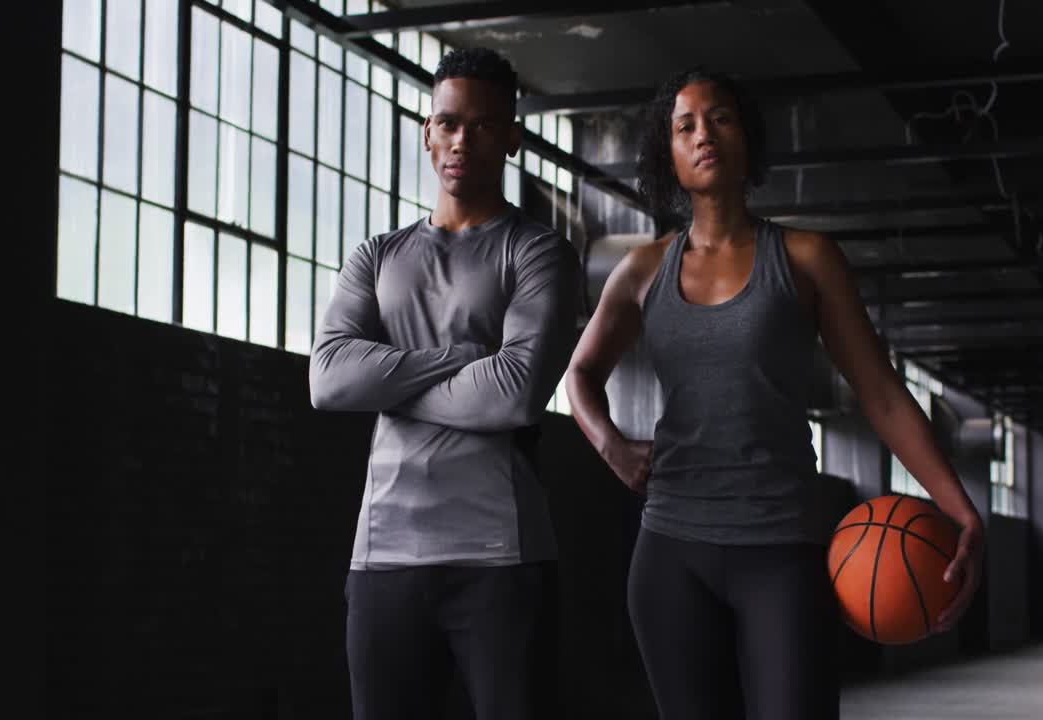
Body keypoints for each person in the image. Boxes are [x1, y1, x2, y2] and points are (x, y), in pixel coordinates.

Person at [565, 67, 985, 720]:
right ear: (669, 156)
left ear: (748, 140)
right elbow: (580, 374)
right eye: (685, 126)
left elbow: (880, 393)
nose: (703, 133)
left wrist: (962, 509)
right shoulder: (642, 270)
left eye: (721, 118)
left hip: (784, 548)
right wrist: (611, 447)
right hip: (671, 550)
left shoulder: (807, 257)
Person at [309, 47, 580, 720]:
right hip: (382, 556)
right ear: (427, 132)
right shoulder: (376, 255)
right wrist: (458, 356)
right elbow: (329, 379)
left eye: (484, 125)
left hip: (502, 556)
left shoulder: (537, 250)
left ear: (512, 138)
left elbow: (515, 391)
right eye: (448, 123)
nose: (463, 141)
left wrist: (390, 376)